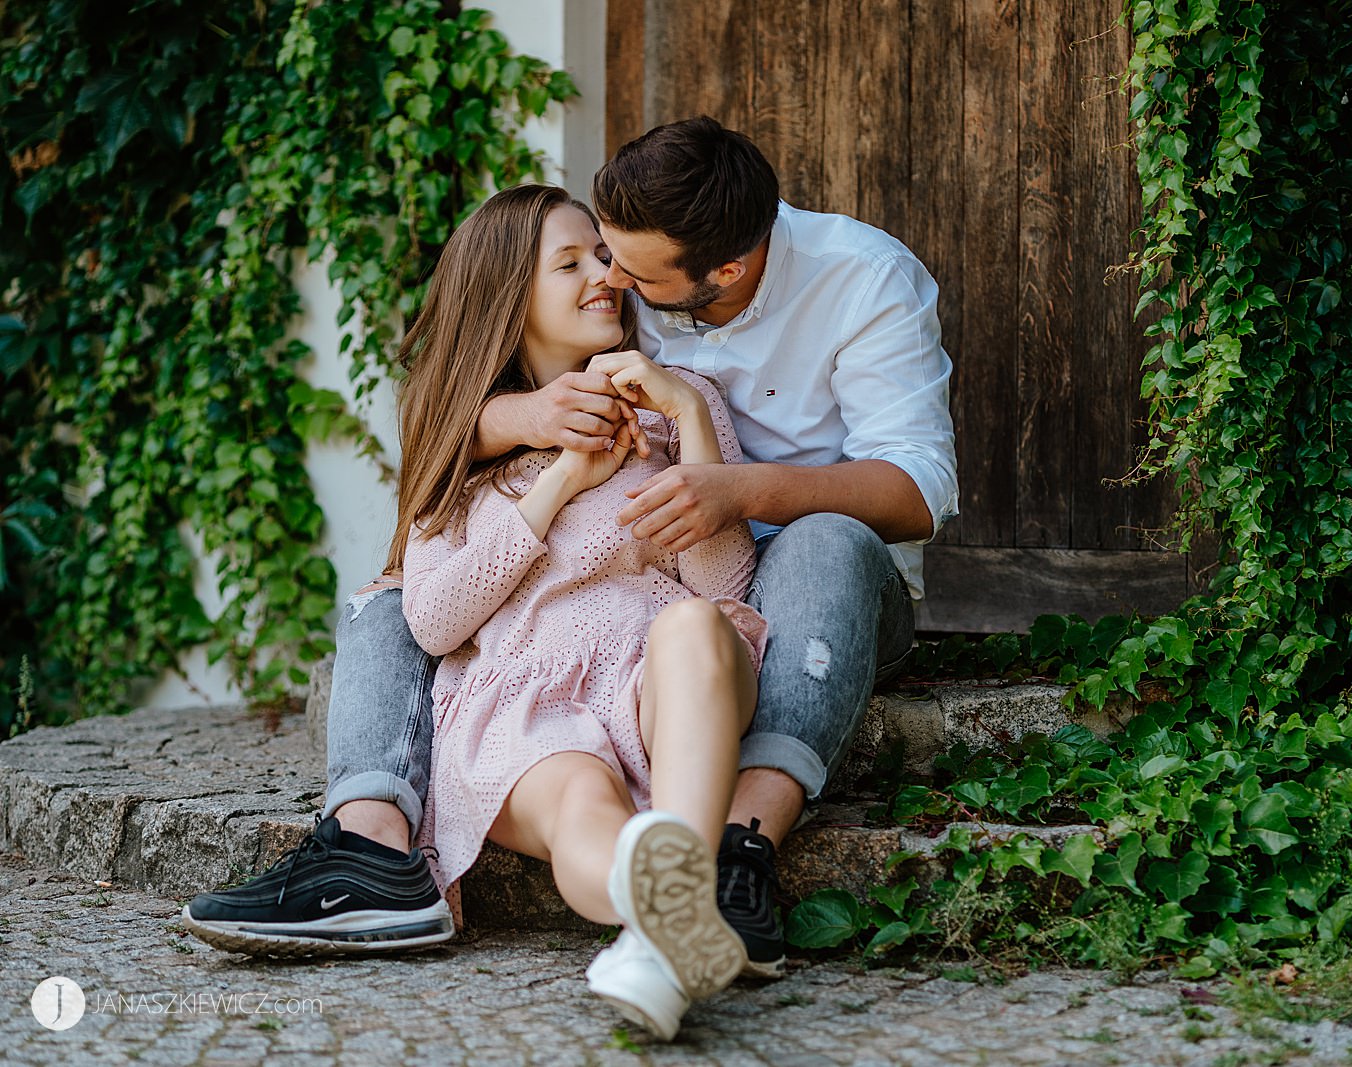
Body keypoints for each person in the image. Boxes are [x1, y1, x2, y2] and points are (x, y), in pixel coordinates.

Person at [183, 116, 958, 981]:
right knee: (391, 607)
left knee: (728, 607)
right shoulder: (580, 358)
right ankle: (375, 846)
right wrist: (538, 439)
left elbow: (895, 499)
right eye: (586, 259)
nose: (611, 277)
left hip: (769, 601)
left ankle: (732, 860)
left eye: (623, 265)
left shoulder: (847, 290)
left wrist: (708, 453)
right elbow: (447, 468)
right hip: (538, 702)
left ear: (724, 273)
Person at [193, 184, 764, 1038]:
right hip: (524, 701)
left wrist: (685, 417)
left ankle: (660, 928)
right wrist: (564, 479)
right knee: (580, 808)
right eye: (568, 263)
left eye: (602, 256)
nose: (603, 276)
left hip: (662, 675)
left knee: (692, 626)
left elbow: (724, 587)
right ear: (508, 297)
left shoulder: (680, 399)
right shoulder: (467, 452)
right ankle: (663, 922)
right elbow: (431, 619)